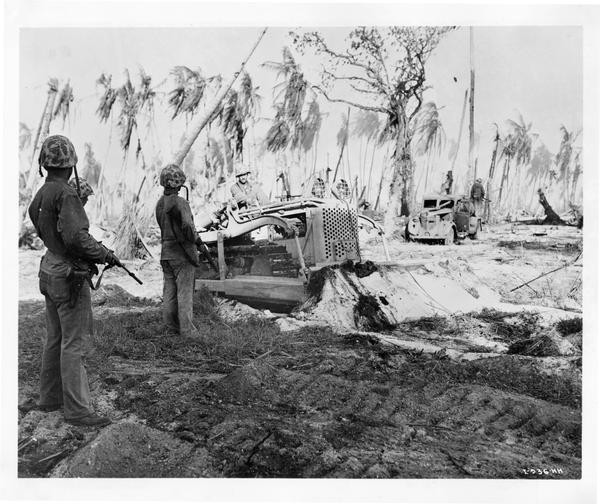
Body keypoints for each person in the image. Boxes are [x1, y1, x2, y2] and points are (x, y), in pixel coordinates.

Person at [27, 135, 119, 427]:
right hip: (67, 274)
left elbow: (38, 222)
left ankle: (49, 398)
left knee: (55, 339)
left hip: (49, 268)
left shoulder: (42, 193)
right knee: (74, 342)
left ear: (45, 165)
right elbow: (77, 237)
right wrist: (105, 254)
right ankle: (78, 410)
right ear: (71, 165)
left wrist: (57, 245)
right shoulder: (66, 194)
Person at [155, 164, 203, 340]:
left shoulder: (160, 204)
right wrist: (195, 240)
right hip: (182, 253)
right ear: (178, 183)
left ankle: (170, 328)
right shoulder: (180, 202)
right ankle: (187, 332)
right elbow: (188, 226)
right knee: (184, 294)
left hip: (166, 252)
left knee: (169, 292)